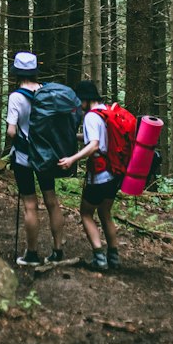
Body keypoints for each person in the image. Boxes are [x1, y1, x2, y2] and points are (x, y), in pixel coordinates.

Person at [5, 51, 66, 266]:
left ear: (17, 73)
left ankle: (32, 254)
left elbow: (12, 131)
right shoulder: (45, 92)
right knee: (52, 201)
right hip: (46, 157)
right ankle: (58, 250)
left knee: (31, 205)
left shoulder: (16, 97)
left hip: (24, 158)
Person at [58, 78, 121, 272]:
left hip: (100, 175)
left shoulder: (91, 117)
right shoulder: (107, 112)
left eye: (79, 100)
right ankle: (114, 257)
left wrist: (72, 159)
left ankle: (99, 258)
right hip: (115, 173)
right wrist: (72, 136)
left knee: (86, 213)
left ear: (85, 99)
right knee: (105, 212)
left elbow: (94, 144)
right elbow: (98, 139)